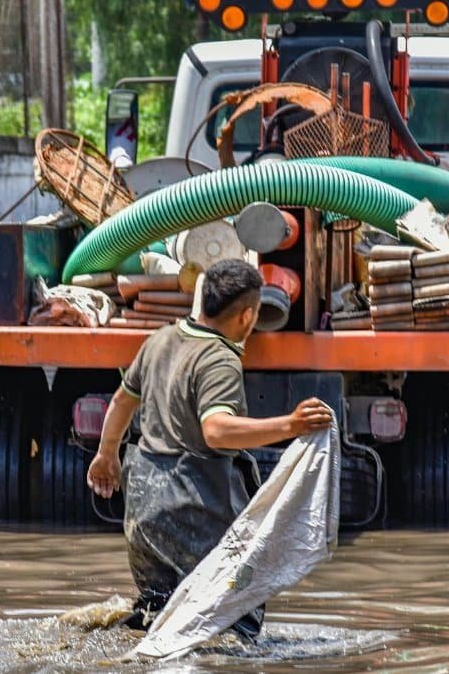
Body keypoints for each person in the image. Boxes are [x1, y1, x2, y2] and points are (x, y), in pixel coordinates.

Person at [86, 258, 333, 639]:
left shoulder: (160, 340)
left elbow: (121, 402)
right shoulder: (220, 358)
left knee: (158, 618)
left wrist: (106, 455)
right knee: (231, 624)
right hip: (192, 509)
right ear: (248, 316)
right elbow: (216, 431)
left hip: (142, 511)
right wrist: (290, 425)